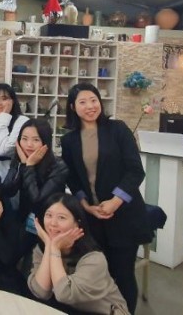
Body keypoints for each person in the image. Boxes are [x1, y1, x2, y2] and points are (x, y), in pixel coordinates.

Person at [61, 83, 150, 313]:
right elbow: (72, 178)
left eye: (94, 100)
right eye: (83, 102)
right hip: (93, 218)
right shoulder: (69, 140)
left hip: (124, 215)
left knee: (123, 274)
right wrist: (86, 206)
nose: (90, 106)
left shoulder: (118, 129)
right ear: (73, 107)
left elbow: (135, 171)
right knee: (99, 273)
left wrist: (115, 202)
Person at [28, 193, 130, 315]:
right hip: (67, 309)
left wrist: (54, 249)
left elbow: (65, 294)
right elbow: (41, 292)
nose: (53, 223)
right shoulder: (43, 249)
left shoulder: (94, 258)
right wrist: (50, 247)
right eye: (48, 215)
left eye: (62, 218)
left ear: (77, 223)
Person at [2, 118, 68, 262]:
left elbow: (37, 200)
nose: (29, 145)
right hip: (23, 220)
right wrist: (21, 165)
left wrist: (29, 166)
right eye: (24, 139)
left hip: (48, 224)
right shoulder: (20, 159)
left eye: (35, 140)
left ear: (45, 142)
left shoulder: (58, 166)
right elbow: (7, 190)